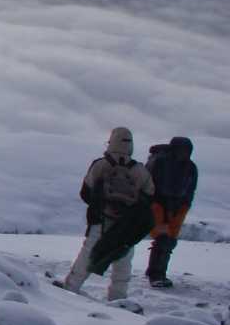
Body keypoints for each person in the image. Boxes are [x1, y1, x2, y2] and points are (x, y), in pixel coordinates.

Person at [61, 127, 155, 300]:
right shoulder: (139, 170)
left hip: (100, 219)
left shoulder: (101, 164)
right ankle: (117, 298)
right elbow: (149, 196)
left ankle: (70, 288)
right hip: (126, 225)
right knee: (122, 259)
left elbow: (85, 192)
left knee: (88, 253)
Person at [145, 136, 199, 289]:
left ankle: (159, 273)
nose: (184, 153)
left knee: (170, 241)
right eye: (181, 150)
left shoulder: (190, 167)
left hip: (178, 207)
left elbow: (190, 189)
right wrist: (154, 203)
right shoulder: (160, 161)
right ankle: (156, 275)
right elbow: (149, 184)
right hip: (158, 205)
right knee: (162, 239)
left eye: (187, 151)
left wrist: (185, 205)